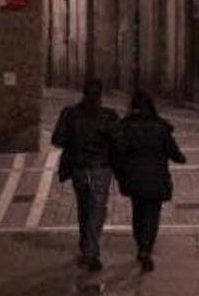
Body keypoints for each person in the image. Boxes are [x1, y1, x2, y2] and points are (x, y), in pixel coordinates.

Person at [112, 91, 186, 272]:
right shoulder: (161, 128)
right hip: (157, 178)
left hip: (134, 179)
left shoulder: (125, 127)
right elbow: (176, 155)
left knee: (138, 212)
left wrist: (121, 172)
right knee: (152, 215)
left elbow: (118, 152)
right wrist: (180, 157)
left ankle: (141, 246)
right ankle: (146, 249)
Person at [51, 78, 118, 272]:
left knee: (84, 209)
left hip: (79, 170)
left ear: (84, 93)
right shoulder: (108, 116)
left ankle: (86, 249)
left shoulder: (70, 114)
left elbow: (58, 140)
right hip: (100, 169)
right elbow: (119, 142)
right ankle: (90, 253)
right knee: (96, 210)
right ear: (100, 95)